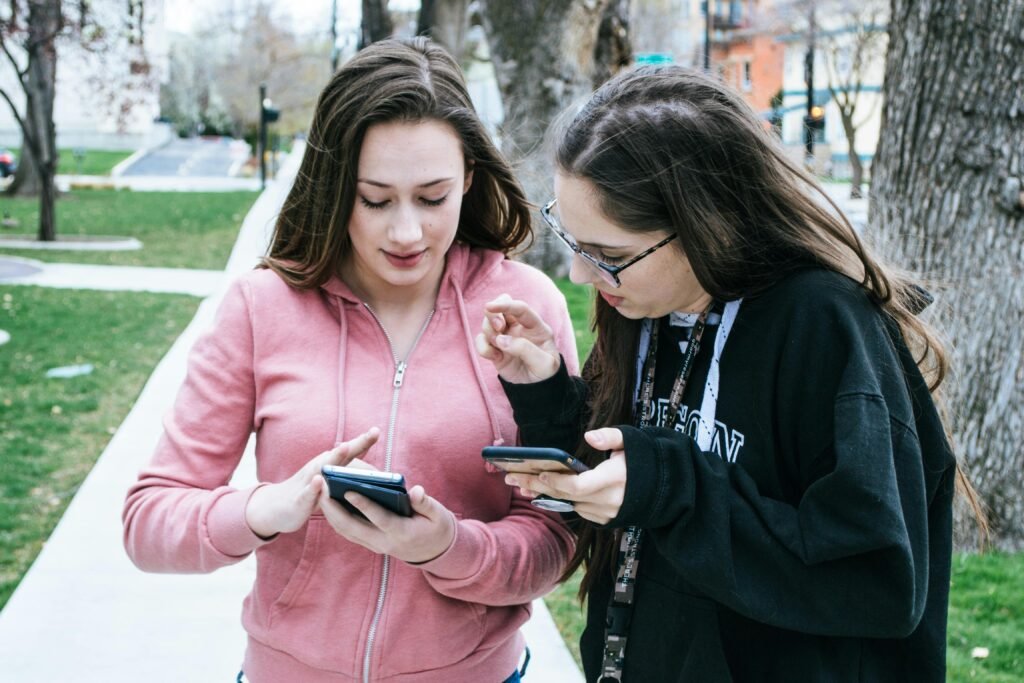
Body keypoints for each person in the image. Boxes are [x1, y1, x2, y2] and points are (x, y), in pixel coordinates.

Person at [476, 65, 985, 682]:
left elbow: (876, 577)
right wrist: (549, 395)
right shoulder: (645, 304)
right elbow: (632, 473)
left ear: (703, 222)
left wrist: (671, 487)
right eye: (573, 242)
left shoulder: (825, 325)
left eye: (607, 255)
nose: (583, 277)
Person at [123, 38, 578, 683]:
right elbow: (148, 521)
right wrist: (265, 511)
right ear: (337, 187)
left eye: (432, 196)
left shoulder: (526, 307)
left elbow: (558, 535)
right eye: (375, 199)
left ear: (469, 180)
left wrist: (449, 548)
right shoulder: (261, 306)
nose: (405, 233)